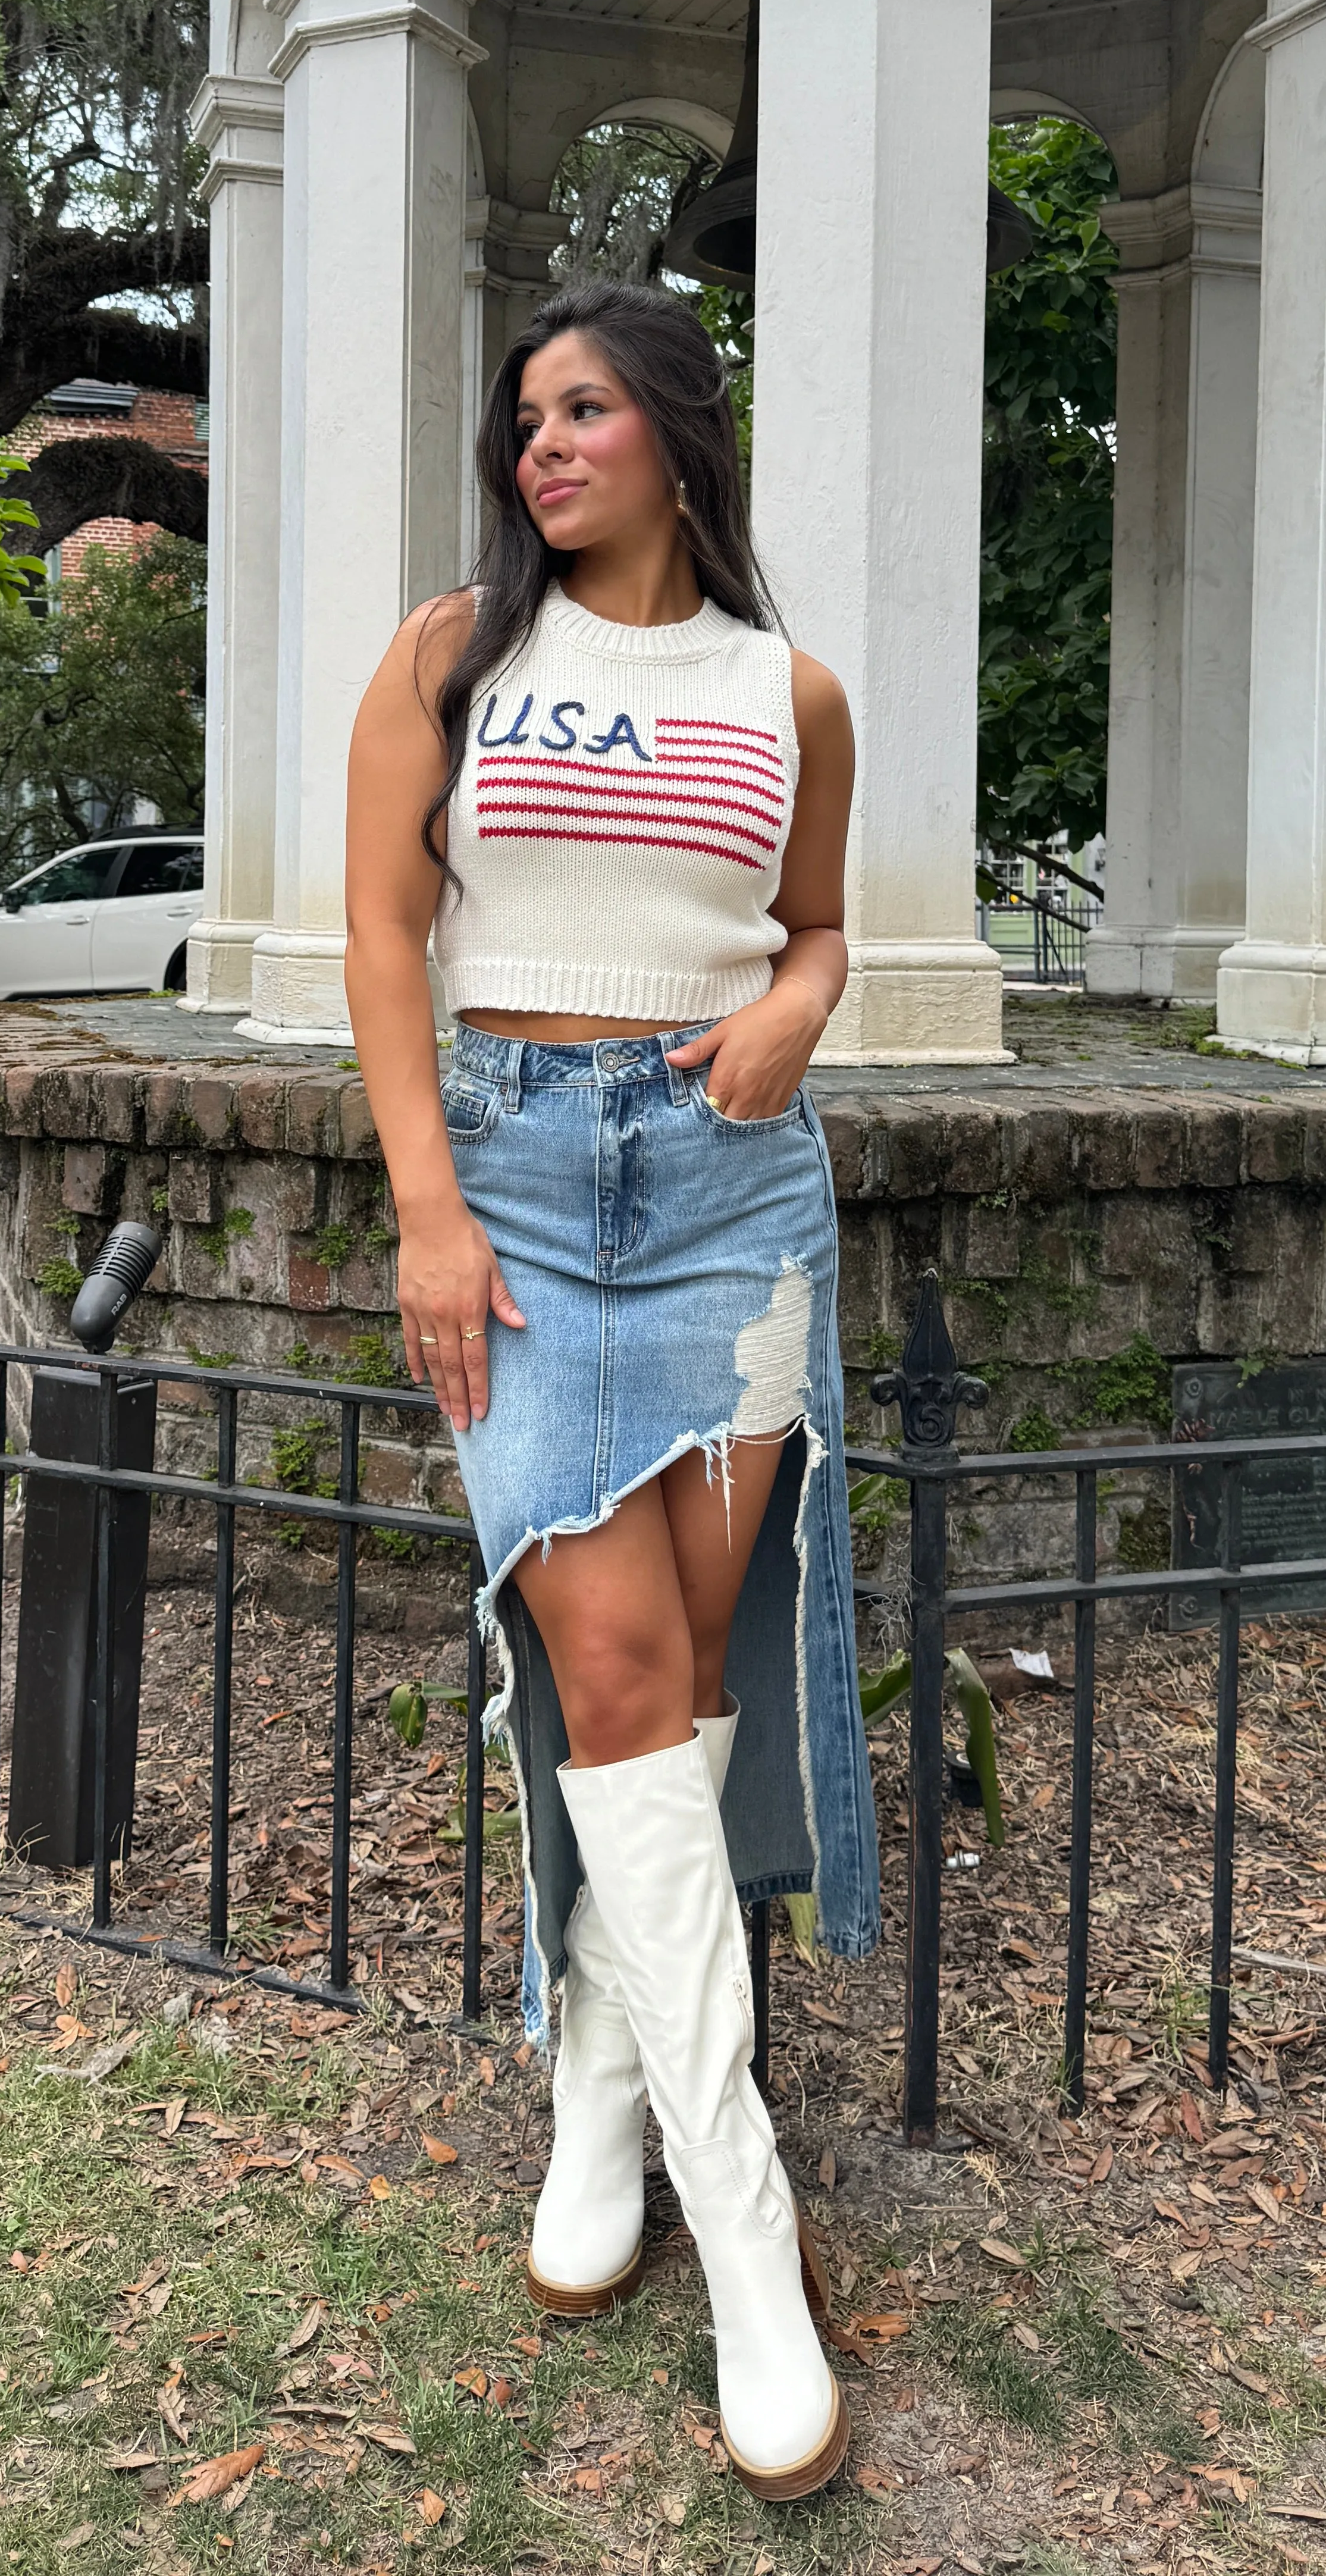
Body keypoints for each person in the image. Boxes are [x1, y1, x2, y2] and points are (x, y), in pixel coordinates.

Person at [343, 281, 879, 2506]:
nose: (542, 442)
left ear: (673, 429)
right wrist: (431, 1213)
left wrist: (802, 1007)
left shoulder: (792, 692)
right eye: (525, 414)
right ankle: (747, 2236)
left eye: (583, 408)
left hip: (734, 1205)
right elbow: (383, 934)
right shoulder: (452, 655)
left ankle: (595, 2080)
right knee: (610, 1651)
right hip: (526, 1193)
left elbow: (820, 923)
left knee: (683, 1670)